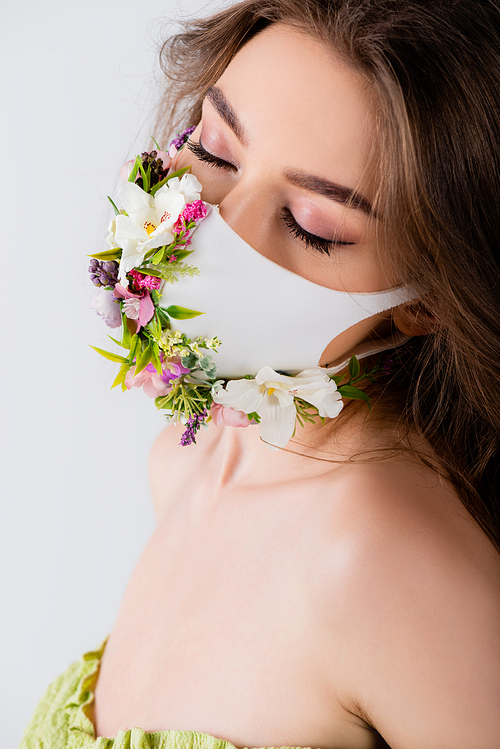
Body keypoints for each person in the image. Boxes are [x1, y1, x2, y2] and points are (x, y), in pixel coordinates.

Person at [20, 1, 500, 748]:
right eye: (214, 150)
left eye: (312, 223)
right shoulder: (185, 464)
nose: (215, 229)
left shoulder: (376, 550)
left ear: (428, 301)